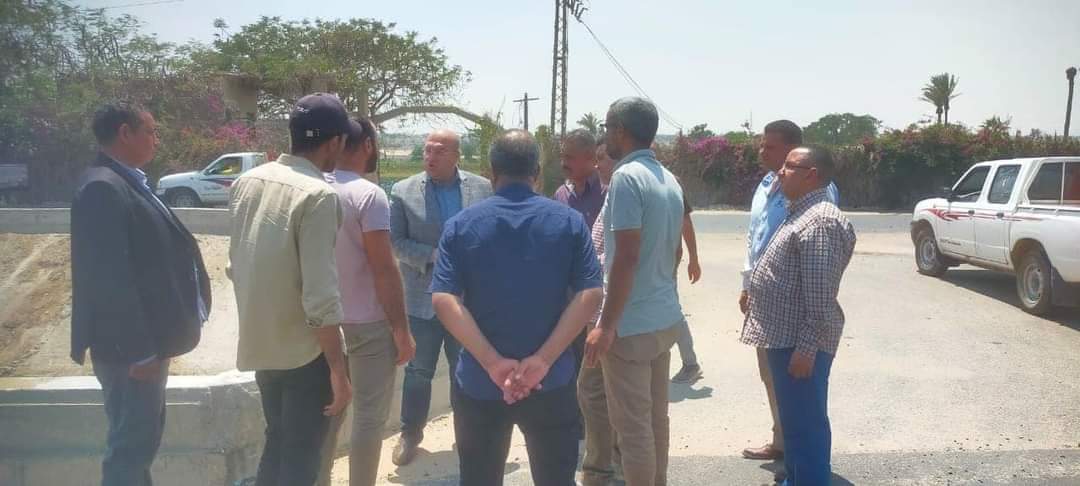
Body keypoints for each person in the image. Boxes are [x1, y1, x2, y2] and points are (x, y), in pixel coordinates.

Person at [430, 129, 603, 486]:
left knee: (478, 479)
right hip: (550, 382)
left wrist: (493, 363)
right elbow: (590, 293)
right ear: (536, 173)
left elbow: (444, 299)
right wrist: (543, 360)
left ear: (492, 172)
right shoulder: (568, 222)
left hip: (480, 382)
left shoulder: (461, 225)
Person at [71, 101, 211, 486]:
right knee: (129, 451)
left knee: (139, 445)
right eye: (150, 131)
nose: (156, 140)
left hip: (144, 346)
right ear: (125, 133)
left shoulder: (126, 181)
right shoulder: (102, 187)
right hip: (129, 353)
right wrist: (141, 351)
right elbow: (109, 280)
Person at [229, 93, 353, 486]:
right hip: (306, 354)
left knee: (278, 443)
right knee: (301, 462)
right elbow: (320, 296)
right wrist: (338, 369)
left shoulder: (247, 182)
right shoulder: (318, 195)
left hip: (262, 347)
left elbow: (237, 266)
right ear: (334, 142)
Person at [584, 97, 686, 486]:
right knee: (656, 420)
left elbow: (625, 257)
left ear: (620, 131)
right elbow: (674, 252)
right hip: (663, 318)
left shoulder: (626, 178)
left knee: (633, 429)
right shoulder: (668, 178)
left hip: (630, 326)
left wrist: (606, 326)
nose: (606, 136)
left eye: (607, 128)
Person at [740, 146, 856, 485]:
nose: (780, 172)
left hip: (799, 343)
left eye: (789, 167)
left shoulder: (819, 221)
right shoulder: (801, 212)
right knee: (795, 421)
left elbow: (820, 295)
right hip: (785, 338)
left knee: (806, 423)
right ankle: (795, 478)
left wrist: (806, 348)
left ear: (812, 175)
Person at [389, 129, 493, 465]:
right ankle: (410, 434)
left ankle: (469, 434)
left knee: (466, 369)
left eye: (439, 151)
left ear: (456, 155)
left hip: (467, 300)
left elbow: (492, 234)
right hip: (423, 299)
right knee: (418, 371)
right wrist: (435, 255)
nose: (430, 157)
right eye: (427, 150)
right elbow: (395, 242)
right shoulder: (403, 191)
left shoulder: (482, 188)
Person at [327, 118, 417, 486]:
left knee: (329, 411)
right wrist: (401, 330)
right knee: (368, 416)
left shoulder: (313, 187)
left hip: (322, 324)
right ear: (367, 145)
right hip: (368, 324)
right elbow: (384, 267)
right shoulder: (368, 195)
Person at [578, 141, 621, 486]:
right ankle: (610, 465)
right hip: (606, 312)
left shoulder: (623, 193)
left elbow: (620, 261)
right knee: (604, 393)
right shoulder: (614, 193)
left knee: (594, 391)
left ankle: (602, 469)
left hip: (610, 316)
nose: (597, 165)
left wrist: (603, 323)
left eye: (602, 158)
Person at [555, 128, 606, 228]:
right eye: (562, 157)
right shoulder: (561, 194)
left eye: (569, 157)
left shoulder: (607, 192)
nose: (563, 163)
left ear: (590, 157)